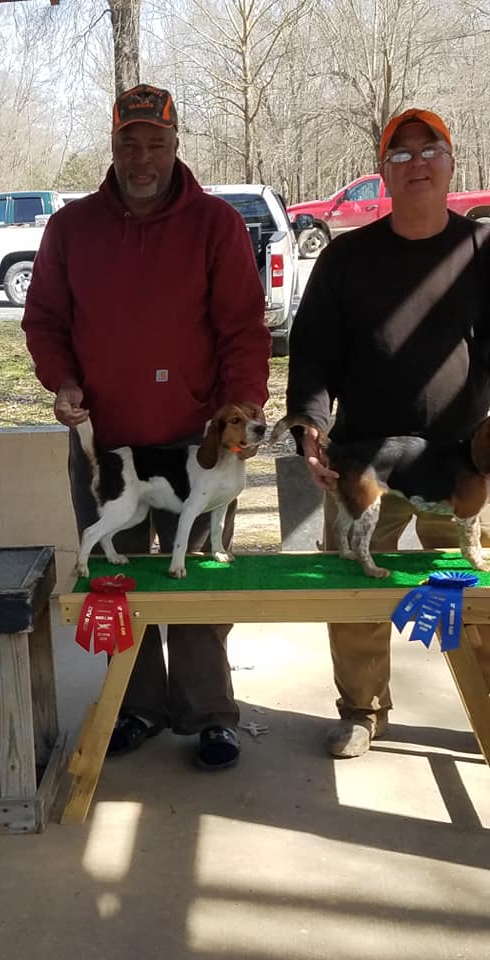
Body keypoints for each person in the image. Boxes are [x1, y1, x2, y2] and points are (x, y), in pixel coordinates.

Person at [22, 83, 271, 770]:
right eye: (128, 143)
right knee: (116, 579)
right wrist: (62, 382)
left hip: (200, 442)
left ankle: (210, 713)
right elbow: (43, 321)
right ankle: (135, 706)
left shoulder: (215, 224)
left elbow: (243, 330)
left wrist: (242, 410)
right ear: (112, 146)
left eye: (155, 143)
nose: (142, 158)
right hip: (110, 445)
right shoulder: (71, 228)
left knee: (198, 577)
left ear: (176, 144)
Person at [285, 108, 490, 758]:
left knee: (474, 591)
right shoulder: (345, 259)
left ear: (451, 163)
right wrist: (310, 425)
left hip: (460, 464)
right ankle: (362, 709)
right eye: (400, 155)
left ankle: (486, 707)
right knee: (352, 588)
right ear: (383, 173)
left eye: (429, 150)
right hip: (363, 459)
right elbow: (312, 353)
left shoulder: (483, 251)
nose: (416, 163)